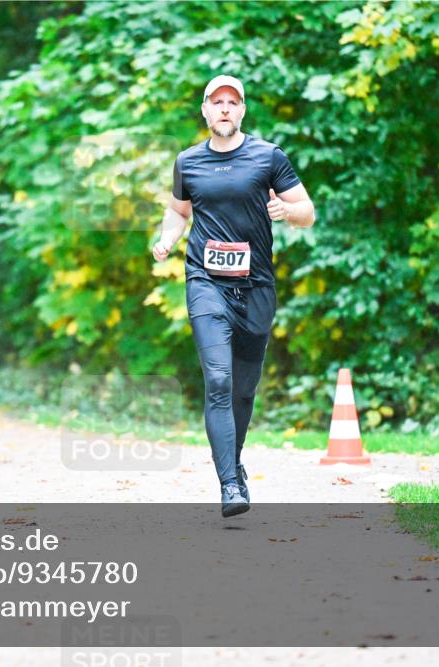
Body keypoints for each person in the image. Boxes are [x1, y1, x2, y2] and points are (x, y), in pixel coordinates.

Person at [152, 75, 316, 518]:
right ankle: (229, 485)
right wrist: (168, 238)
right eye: (216, 102)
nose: (224, 109)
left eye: (233, 102)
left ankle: (234, 464)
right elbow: (178, 210)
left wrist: (288, 211)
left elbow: (308, 211)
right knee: (219, 382)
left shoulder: (268, 157)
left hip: (257, 286)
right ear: (205, 111)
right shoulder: (188, 162)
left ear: (242, 111)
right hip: (205, 282)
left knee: (243, 390)